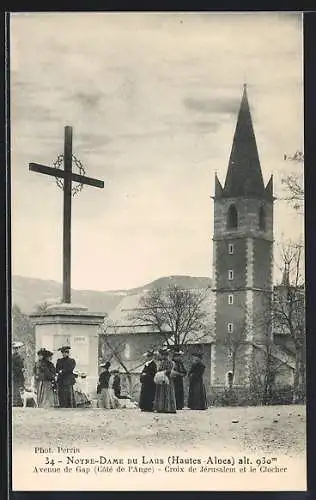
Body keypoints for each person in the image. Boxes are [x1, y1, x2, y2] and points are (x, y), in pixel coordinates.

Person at [154, 348, 177, 414]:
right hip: (161, 379)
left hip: (167, 379)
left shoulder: (170, 362)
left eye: (161, 355)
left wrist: (163, 372)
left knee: (167, 392)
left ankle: (168, 408)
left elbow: (170, 371)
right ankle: (161, 408)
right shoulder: (162, 362)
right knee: (162, 392)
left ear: (164, 355)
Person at [12, 341, 25, 407]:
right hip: (13, 375)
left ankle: (17, 403)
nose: (15, 350)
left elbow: (21, 367)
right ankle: (15, 402)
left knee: (17, 389)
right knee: (14, 389)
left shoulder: (18, 357)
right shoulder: (12, 356)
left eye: (16, 348)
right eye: (14, 348)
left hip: (17, 376)